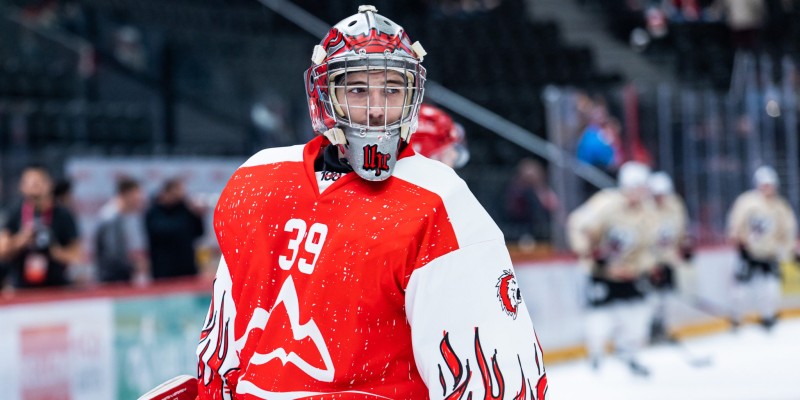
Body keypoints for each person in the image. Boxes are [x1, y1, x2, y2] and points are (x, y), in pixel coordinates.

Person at [195, 6, 548, 399]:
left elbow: (492, 380)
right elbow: (224, 346)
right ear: (323, 95)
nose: (377, 109)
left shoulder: (438, 200)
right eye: (358, 90)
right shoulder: (257, 179)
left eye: (393, 90)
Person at [566, 161, 656, 376]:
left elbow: (647, 248)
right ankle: (595, 356)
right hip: (600, 273)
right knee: (599, 319)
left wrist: (640, 268)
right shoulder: (606, 202)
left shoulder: (648, 212)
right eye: (639, 186)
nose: (643, 191)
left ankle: (628, 353)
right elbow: (577, 224)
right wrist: (586, 250)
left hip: (627, 274)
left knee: (638, 316)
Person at [726, 165, 796, 330]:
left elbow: (788, 231)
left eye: (770, 184)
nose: (767, 188)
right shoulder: (746, 202)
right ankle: (736, 318)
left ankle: (768, 317)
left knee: (771, 291)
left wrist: (791, 250)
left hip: (769, 255)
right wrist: (737, 240)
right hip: (749, 254)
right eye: (764, 184)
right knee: (739, 292)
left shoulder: (780, 207)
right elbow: (735, 223)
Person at [0, 165, 81, 288]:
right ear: (22, 186)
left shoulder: (63, 215)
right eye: (30, 182)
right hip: (22, 287)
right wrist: (21, 240)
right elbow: (2, 251)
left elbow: (77, 254)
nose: (34, 187)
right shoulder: (14, 212)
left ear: (50, 184)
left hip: (55, 287)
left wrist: (55, 251)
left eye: (38, 182)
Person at [646, 171, 691, 343]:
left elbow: (681, 230)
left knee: (666, 297)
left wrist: (684, 246)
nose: (660, 198)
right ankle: (649, 329)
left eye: (662, 194)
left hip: (668, 260)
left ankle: (662, 329)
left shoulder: (675, 207)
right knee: (651, 298)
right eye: (656, 195)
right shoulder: (645, 209)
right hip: (649, 262)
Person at [145, 178, 205, 279]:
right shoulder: (154, 212)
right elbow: (162, 232)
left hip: (187, 268)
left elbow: (198, 233)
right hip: (164, 270)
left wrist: (198, 217)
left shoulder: (185, 209)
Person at [95, 177, 149, 284]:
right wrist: (134, 266)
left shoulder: (124, 216)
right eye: (136, 196)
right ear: (127, 195)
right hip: (112, 280)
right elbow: (112, 254)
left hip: (120, 276)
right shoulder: (111, 217)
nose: (140, 200)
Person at [409, 103, 470, 169]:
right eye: (454, 157)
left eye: (454, 160)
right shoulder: (443, 131)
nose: (452, 156)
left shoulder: (424, 163)